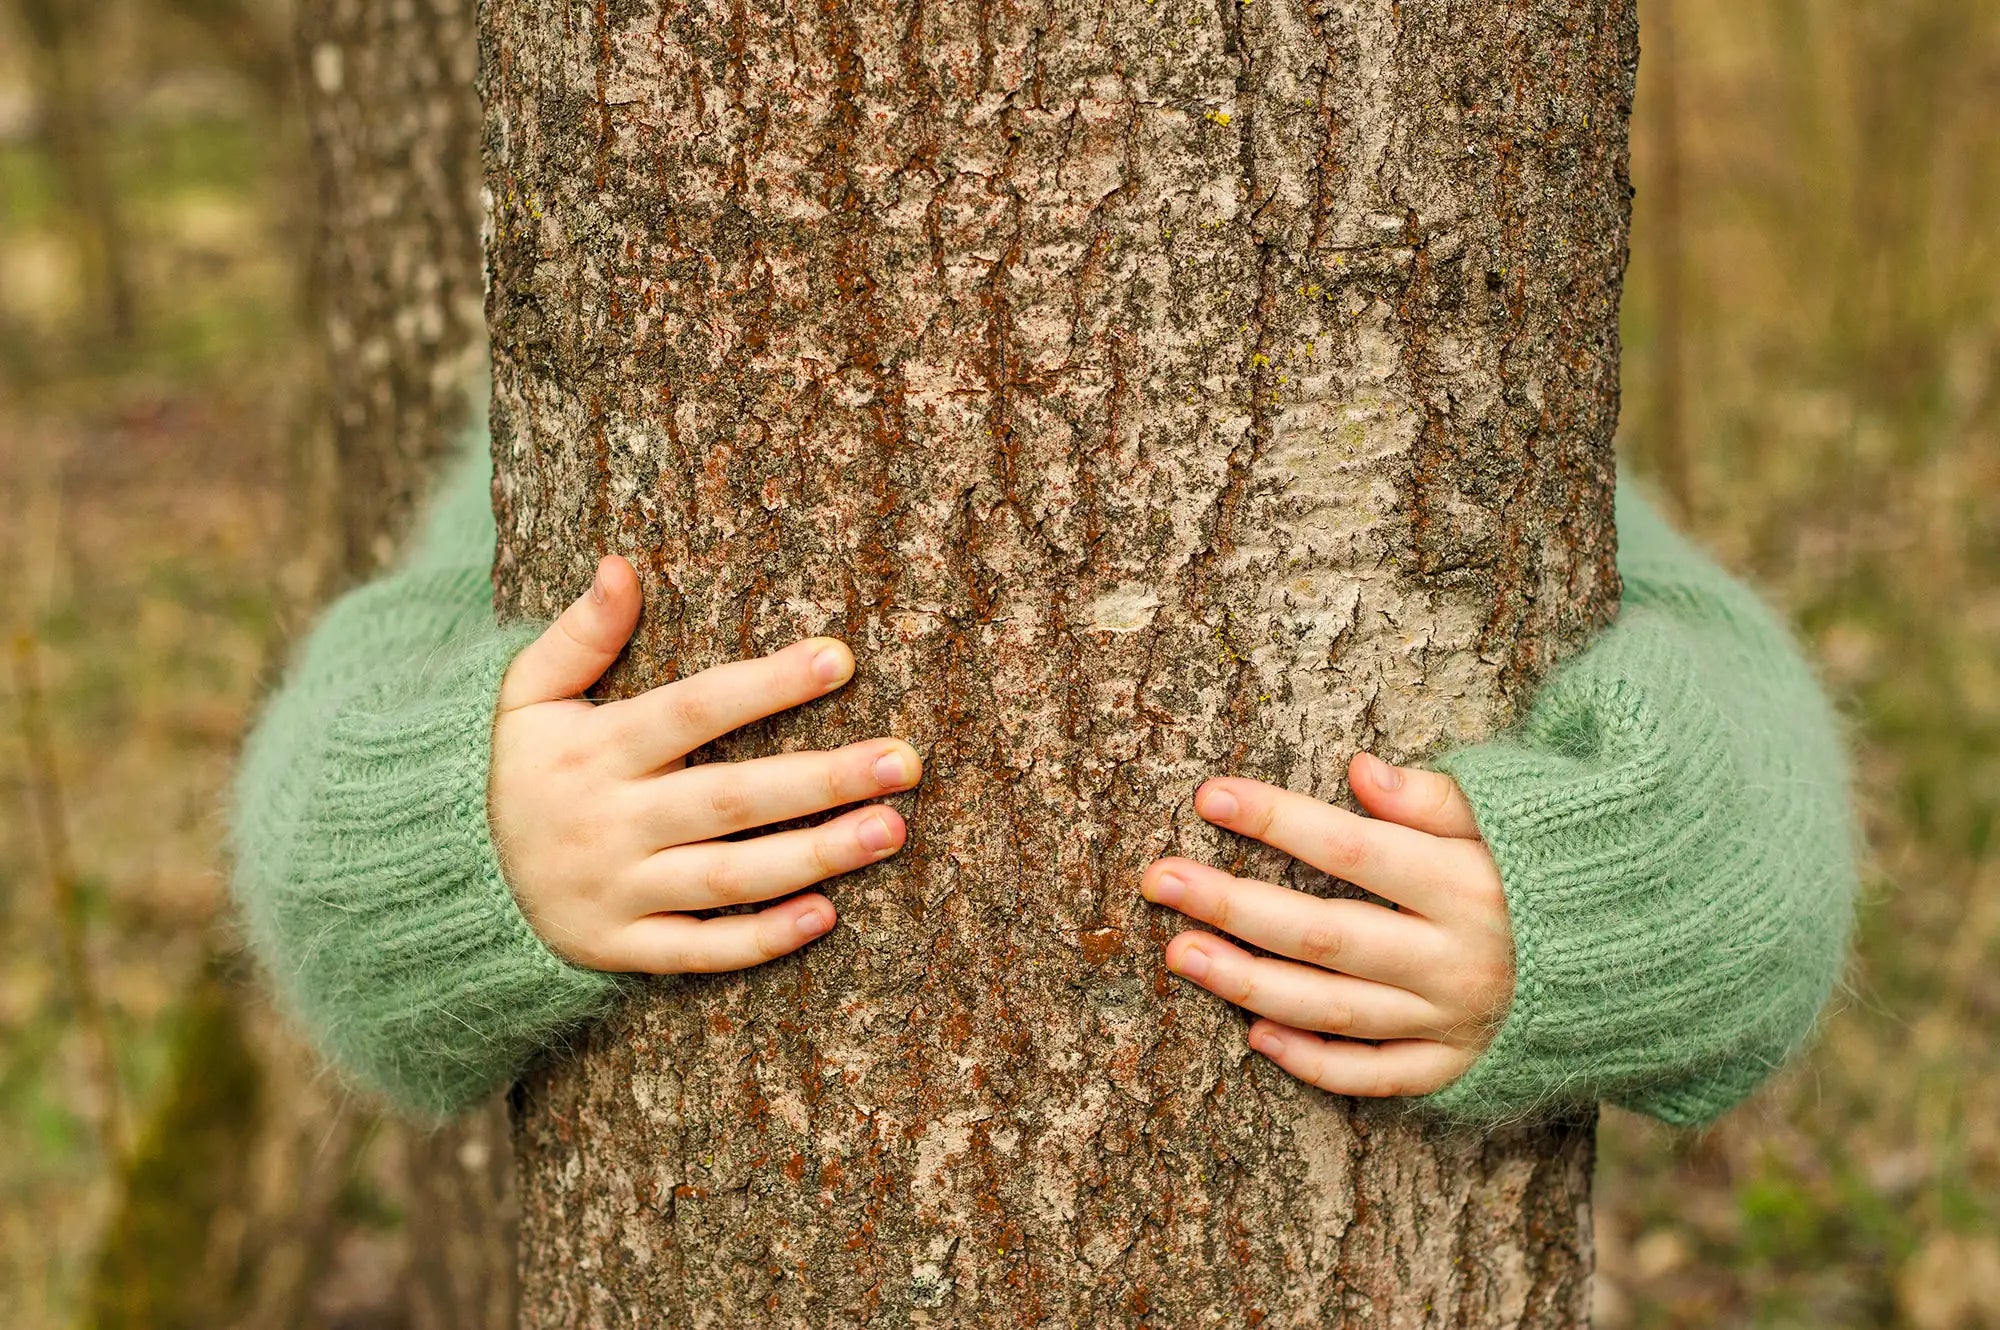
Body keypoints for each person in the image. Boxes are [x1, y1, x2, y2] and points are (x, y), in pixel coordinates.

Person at [230, 421, 1857, 1126]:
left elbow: (1759, 810)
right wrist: (476, 837)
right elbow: (323, 841)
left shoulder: (1474, 377)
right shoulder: (571, 390)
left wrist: (1600, 903)